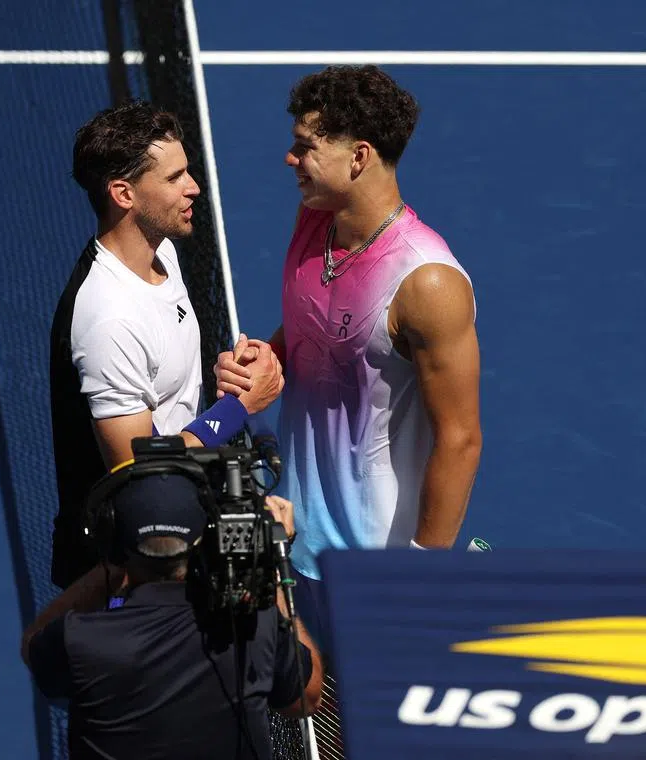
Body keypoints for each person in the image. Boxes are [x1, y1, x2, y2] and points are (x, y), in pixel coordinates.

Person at [215, 65, 483, 652]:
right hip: (294, 532)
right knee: (305, 715)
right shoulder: (316, 220)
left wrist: (419, 572)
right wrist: (264, 359)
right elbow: (315, 324)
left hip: (375, 566)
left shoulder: (428, 283)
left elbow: (461, 438)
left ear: (358, 157)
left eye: (305, 147)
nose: (290, 159)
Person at [48, 101, 284, 592]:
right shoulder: (108, 318)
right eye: (175, 177)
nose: (193, 186)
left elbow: (164, 384)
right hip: (127, 566)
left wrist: (226, 375)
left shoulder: (165, 254)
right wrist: (238, 409)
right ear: (123, 193)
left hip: (179, 522)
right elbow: (136, 470)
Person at [24, 471, 324, 760]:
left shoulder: (77, 640)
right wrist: (270, 565)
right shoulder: (255, 626)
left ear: (114, 544)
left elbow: (33, 648)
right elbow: (307, 698)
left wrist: (113, 569)